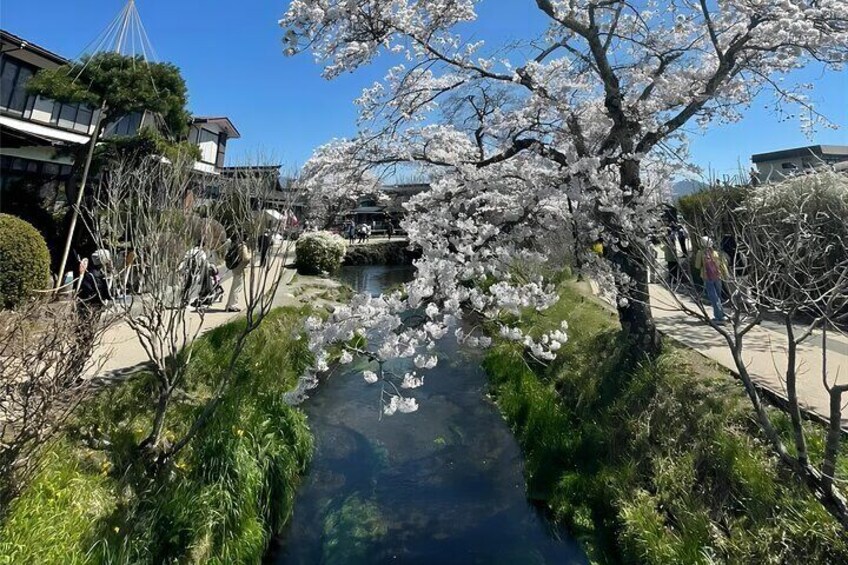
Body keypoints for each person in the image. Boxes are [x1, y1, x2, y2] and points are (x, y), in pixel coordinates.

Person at [77, 251, 112, 341]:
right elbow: (103, 292)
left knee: (83, 328)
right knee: (89, 328)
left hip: (84, 304)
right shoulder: (98, 276)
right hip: (93, 305)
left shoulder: (90, 273)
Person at [694, 237, 729, 323]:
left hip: (707, 277)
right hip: (718, 276)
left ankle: (718, 317)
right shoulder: (716, 253)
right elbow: (723, 264)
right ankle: (722, 314)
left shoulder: (700, 253)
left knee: (714, 298)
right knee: (718, 296)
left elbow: (697, 266)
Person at [224, 236, 250, 312]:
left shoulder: (236, 245)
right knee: (237, 288)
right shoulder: (243, 246)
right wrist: (251, 254)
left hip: (236, 269)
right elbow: (245, 258)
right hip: (240, 270)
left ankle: (229, 305)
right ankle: (232, 305)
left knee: (234, 287)